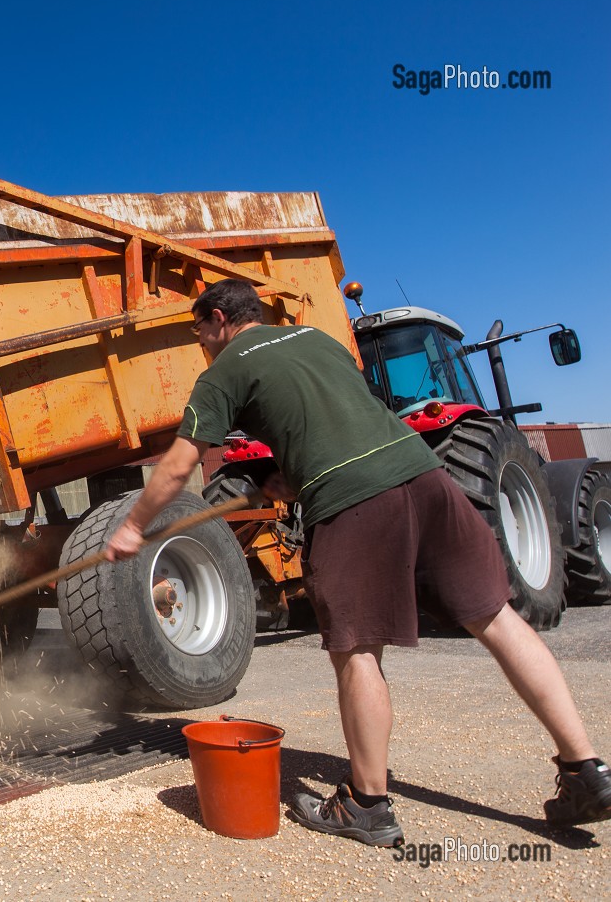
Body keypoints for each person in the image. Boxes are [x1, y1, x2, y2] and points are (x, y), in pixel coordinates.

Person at [105, 278, 610, 846]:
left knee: (356, 649)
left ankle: (367, 804)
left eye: (201, 332)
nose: (203, 344)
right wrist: (288, 478)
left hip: (354, 501)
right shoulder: (316, 338)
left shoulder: (223, 370)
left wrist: (131, 527)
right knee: (497, 618)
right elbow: (339, 423)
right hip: (425, 476)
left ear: (219, 319)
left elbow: (176, 466)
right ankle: (585, 768)